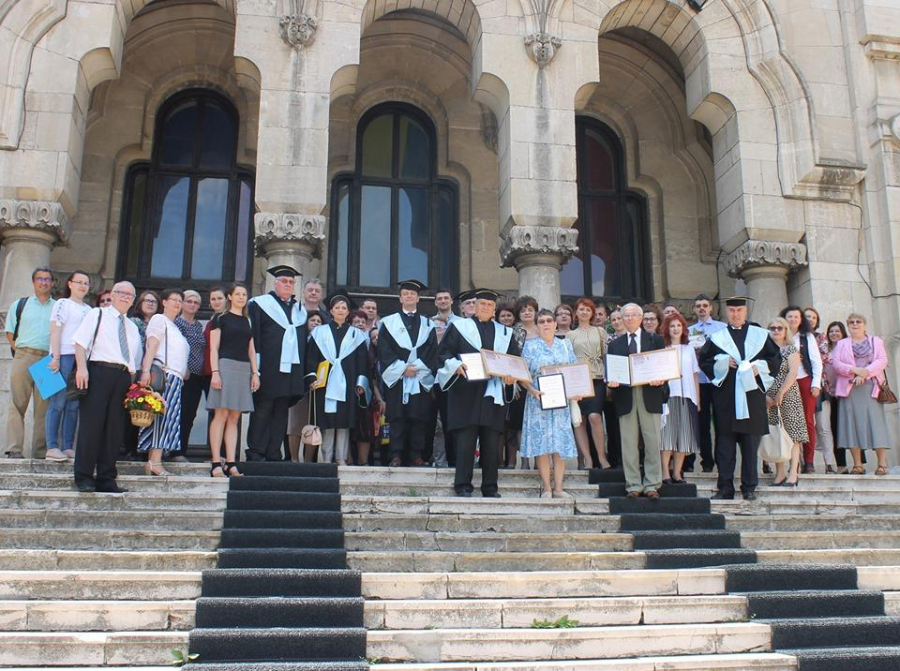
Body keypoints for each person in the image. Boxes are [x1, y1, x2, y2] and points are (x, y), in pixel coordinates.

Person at [437, 288, 520, 497]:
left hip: (493, 391)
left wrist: (511, 377)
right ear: (475, 306)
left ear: (494, 309)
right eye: (482, 304)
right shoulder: (459, 326)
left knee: (492, 442)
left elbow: (513, 360)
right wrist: (455, 364)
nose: (485, 307)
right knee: (465, 439)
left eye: (490, 305)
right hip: (466, 390)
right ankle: (463, 485)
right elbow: (443, 352)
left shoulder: (504, 332)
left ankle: (490, 487)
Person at [698, 296, 781, 501]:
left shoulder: (759, 335)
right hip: (726, 399)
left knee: (750, 445)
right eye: (732, 311)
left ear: (746, 312)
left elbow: (775, 359)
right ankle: (725, 487)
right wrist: (723, 362)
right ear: (727, 312)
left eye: (739, 310)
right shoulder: (718, 337)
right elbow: (705, 361)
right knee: (725, 446)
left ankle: (749, 487)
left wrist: (757, 368)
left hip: (752, 397)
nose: (736, 314)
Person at [71, 282, 141, 492]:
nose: (125, 297)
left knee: (114, 429)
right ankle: (83, 476)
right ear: (112, 294)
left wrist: (134, 386)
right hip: (98, 371)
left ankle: (106, 478)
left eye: (130, 294)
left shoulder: (133, 327)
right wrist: (82, 369)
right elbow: (80, 343)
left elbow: (134, 361)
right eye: (121, 293)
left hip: (123, 378)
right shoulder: (97, 314)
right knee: (91, 426)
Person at [247, 265, 309, 462]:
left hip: (290, 370)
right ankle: (256, 451)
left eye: (291, 282)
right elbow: (254, 337)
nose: (288, 285)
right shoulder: (260, 304)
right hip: (267, 367)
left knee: (281, 411)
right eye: (284, 281)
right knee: (263, 408)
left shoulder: (299, 310)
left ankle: (274, 452)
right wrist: (255, 368)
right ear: (275, 283)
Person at [607, 303, 668, 499]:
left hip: (650, 393)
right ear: (622, 319)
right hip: (625, 395)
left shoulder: (655, 339)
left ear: (641, 318)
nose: (630, 318)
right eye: (626, 315)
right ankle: (633, 484)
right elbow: (612, 371)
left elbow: (663, 366)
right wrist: (611, 381)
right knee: (628, 441)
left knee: (652, 440)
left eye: (634, 315)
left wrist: (662, 378)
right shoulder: (615, 344)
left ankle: (652, 484)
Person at [379, 280, 438, 467]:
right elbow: (384, 349)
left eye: (413, 294)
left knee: (418, 417)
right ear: (400, 298)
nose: (409, 296)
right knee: (397, 417)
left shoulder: (428, 324)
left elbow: (431, 351)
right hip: (398, 377)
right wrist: (402, 368)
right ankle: (395, 454)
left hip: (419, 377)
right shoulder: (388, 323)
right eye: (406, 294)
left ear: (418, 298)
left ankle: (416, 455)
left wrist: (416, 368)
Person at [306, 292, 370, 465]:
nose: (340, 310)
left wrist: (360, 383)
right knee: (327, 419)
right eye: (337, 308)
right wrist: (311, 377)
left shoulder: (356, 335)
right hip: (324, 382)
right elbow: (312, 357)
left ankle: (341, 457)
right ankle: (326, 457)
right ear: (331, 311)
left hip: (348, 382)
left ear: (348, 312)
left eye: (344, 308)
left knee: (344, 420)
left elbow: (363, 362)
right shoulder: (320, 332)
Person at [520, 309, 578, 498]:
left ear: (555, 324)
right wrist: (531, 389)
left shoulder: (565, 345)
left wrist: (578, 391)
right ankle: (546, 487)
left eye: (549, 320)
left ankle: (559, 488)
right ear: (536, 326)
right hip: (538, 399)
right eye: (542, 321)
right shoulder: (529, 347)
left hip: (561, 401)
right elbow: (522, 374)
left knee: (560, 443)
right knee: (542, 444)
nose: (546, 324)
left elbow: (574, 371)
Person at [207, 283, 259, 478]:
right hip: (225, 366)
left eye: (244, 294)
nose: (241, 297)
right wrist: (215, 372)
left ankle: (231, 462)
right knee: (221, 414)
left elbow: (251, 349)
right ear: (229, 296)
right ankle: (215, 463)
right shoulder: (220, 318)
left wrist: (255, 373)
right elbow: (214, 348)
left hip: (243, 368)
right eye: (237, 294)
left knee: (235, 417)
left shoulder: (247, 320)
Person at [4, 267, 55, 459]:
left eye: (47, 279)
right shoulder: (20, 304)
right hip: (24, 355)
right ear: (33, 282)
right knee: (17, 404)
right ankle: (14, 449)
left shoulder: (58, 306)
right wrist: (20, 352)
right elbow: (10, 332)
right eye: (40, 279)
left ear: (52, 283)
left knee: (45, 408)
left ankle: (40, 452)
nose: (44, 282)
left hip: (49, 360)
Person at [138, 290, 190, 476]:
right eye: (174, 299)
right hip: (165, 376)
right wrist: (145, 371)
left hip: (176, 378)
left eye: (180, 300)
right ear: (165, 302)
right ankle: (154, 462)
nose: (177, 303)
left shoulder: (175, 326)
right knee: (161, 418)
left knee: (168, 420)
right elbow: (152, 344)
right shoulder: (159, 319)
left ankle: (154, 461)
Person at [831, 313, 891, 475]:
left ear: (864, 324)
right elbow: (836, 363)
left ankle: (882, 464)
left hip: (871, 387)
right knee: (851, 425)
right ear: (848, 325)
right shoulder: (842, 344)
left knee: (876, 424)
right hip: (849, 388)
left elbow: (882, 360)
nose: (855, 324)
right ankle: (858, 465)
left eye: (858, 322)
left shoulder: (876, 341)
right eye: (851, 322)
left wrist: (865, 373)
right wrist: (854, 370)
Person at [45, 271, 92, 461]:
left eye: (86, 283)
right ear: (70, 284)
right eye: (79, 282)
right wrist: (55, 357)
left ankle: (67, 446)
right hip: (62, 356)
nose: (82, 286)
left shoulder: (90, 309)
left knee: (73, 404)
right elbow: (55, 331)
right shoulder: (62, 303)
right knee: (57, 402)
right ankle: (51, 446)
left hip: (80, 360)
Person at [765, 317, 808, 487]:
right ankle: (780, 473)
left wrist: (781, 392)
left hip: (788, 395)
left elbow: (793, 372)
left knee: (793, 434)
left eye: (780, 328)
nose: (776, 330)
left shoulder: (791, 349)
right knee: (776, 433)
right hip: (769, 396)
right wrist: (766, 396)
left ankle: (793, 473)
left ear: (785, 330)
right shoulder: (765, 352)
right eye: (772, 327)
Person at [568, 297, 609, 470]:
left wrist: (608, 379)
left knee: (594, 416)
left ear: (592, 313)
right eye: (581, 309)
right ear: (576, 313)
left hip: (597, 377)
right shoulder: (570, 335)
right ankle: (587, 459)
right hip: (577, 379)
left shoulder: (600, 331)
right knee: (580, 420)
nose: (584, 312)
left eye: (588, 309)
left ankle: (601, 456)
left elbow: (606, 356)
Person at [780, 306, 822, 473]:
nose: (793, 320)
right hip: (784, 382)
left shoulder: (807, 337)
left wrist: (816, 384)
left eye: (796, 317)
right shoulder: (779, 335)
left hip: (804, 380)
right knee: (786, 421)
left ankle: (809, 461)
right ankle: (791, 461)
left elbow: (816, 361)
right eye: (790, 316)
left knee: (807, 421)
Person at [688, 293, 726, 474]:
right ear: (694, 309)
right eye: (698, 306)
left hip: (718, 380)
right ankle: (707, 462)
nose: (702, 308)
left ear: (711, 308)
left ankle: (721, 460)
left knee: (720, 422)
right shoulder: (689, 331)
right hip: (699, 381)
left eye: (705, 305)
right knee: (702, 423)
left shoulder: (722, 327)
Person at [660, 312, 700, 484]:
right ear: (667, 329)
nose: (675, 329)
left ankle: (677, 472)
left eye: (678, 326)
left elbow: (695, 375)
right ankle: (665, 473)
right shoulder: (663, 349)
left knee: (683, 437)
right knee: (668, 436)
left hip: (687, 396)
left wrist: (697, 399)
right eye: (672, 326)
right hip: (669, 396)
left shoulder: (689, 349)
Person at [173, 290, 207, 462]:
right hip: (183, 374)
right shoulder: (177, 323)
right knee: (179, 412)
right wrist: (183, 366)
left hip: (197, 376)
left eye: (196, 302)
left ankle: (182, 450)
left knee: (190, 414)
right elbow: (178, 348)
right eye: (189, 301)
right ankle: (174, 451)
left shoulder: (199, 326)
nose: (192, 305)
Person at [287, 311, 324, 463]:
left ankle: (308, 462)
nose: (316, 322)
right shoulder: (298, 338)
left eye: (319, 321)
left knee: (313, 425)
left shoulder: (324, 340)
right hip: (298, 387)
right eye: (312, 320)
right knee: (295, 424)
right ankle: (294, 459)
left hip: (318, 387)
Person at [508, 296, 539, 468]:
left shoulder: (543, 329)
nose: (527, 312)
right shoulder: (513, 332)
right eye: (523, 310)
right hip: (520, 383)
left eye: (530, 309)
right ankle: (524, 461)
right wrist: (513, 383)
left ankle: (539, 461)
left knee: (537, 422)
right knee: (520, 423)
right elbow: (511, 359)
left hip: (540, 382)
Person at [805, 307, 837, 473]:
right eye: (807, 316)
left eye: (813, 317)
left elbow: (824, 357)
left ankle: (829, 463)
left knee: (824, 426)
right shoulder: (795, 337)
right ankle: (805, 462)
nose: (810, 319)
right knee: (804, 426)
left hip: (820, 387)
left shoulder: (820, 337)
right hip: (801, 387)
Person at [825, 321, 849, 472]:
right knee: (835, 429)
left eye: (837, 331)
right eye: (831, 331)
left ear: (843, 333)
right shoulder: (825, 351)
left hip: (846, 394)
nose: (834, 334)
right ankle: (841, 465)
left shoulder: (847, 348)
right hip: (830, 395)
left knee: (850, 428)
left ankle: (859, 464)